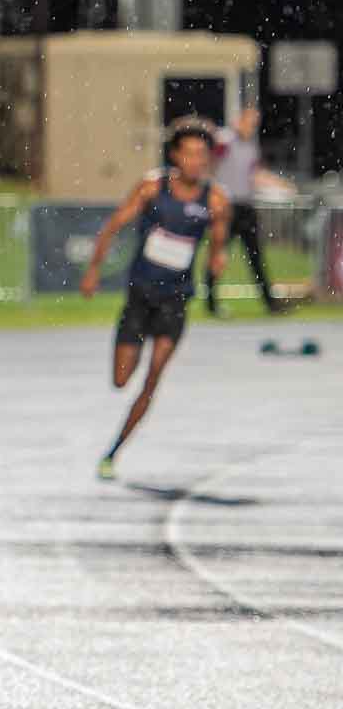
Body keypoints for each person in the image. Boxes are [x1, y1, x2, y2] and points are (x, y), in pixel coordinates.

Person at [80, 116, 227, 480]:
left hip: (175, 302)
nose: (196, 161)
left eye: (202, 155)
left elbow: (218, 247)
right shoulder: (151, 188)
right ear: (176, 156)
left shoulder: (216, 200)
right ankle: (114, 444)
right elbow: (113, 226)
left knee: (153, 377)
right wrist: (94, 270)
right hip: (140, 298)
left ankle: (113, 452)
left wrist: (217, 262)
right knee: (120, 379)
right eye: (189, 153)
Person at [204, 107, 289, 317]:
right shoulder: (225, 140)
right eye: (250, 121)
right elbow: (209, 161)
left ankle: (270, 303)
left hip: (245, 207)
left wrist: (280, 184)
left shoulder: (250, 147)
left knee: (256, 257)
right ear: (239, 119)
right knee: (218, 254)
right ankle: (211, 304)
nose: (252, 126)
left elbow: (255, 174)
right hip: (226, 207)